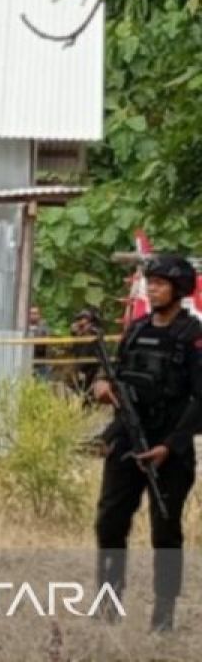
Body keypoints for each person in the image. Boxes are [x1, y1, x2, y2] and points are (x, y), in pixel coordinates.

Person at [92, 254, 202, 632]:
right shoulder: (136, 330)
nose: (151, 288)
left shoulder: (193, 337)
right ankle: (108, 602)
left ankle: (163, 616)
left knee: (165, 532)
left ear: (179, 289)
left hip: (169, 449)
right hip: (128, 439)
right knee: (109, 523)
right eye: (148, 282)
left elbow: (200, 400)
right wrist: (101, 387)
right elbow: (114, 375)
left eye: (159, 283)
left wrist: (170, 446)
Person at [70, 307, 103, 397]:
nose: (81, 322)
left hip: (93, 367)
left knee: (89, 391)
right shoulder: (79, 334)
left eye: (83, 319)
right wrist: (77, 334)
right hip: (81, 366)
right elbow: (75, 350)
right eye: (79, 320)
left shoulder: (95, 332)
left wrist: (87, 331)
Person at [28, 305, 52, 379]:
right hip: (28, 361)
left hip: (41, 363)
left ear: (39, 315)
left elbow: (45, 342)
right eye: (31, 313)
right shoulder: (25, 326)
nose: (33, 316)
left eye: (35, 313)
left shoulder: (44, 327)